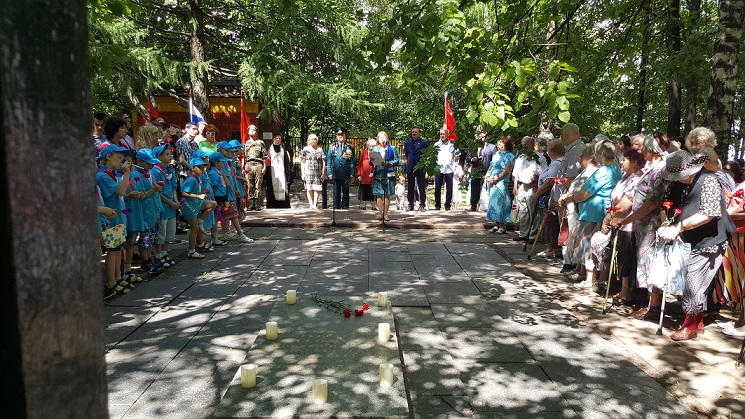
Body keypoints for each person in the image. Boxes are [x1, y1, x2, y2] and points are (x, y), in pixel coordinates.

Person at [657, 150, 735, 341]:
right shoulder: (677, 183)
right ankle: (696, 322)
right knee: (692, 281)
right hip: (688, 239)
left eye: (678, 176)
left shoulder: (709, 181)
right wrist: (666, 222)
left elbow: (708, 213)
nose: (675, 179)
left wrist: (678, 227)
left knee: (694, 282)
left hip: (711, 239)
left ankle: (690, 325)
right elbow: (664, 205)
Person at [611, 134, 669, 321]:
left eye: (644, 147)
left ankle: (653, 305)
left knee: (650, 261)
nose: (640, 150)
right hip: (642, 223)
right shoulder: (651, 168)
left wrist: (628, 219)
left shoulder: (659, 170)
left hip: (651, 224)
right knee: (644, 262)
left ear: (652, 150)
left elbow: (651, 203)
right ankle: (649, 302)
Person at [561, 140, 622, 289]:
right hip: (603, 211)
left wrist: (573, 198)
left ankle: (590, 279)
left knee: (588, 244)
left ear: (601, 154)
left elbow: (584, 193)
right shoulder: (617, 169)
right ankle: (600, 278)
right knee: (600, 246)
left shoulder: (604, 171)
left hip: (593, 213)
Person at [598, 149, 645, 304]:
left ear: (635, 162)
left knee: (627, 257)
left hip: (630, 224)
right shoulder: (626, 177)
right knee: (620, 256)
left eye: (625, 160)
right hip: (619, 223)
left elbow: (626, 204)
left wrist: (608, 217)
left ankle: (627, 291)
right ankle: (621, 288)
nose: (621, 162)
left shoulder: (638, 178)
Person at [96, 144, 134, 295]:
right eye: (119, 157)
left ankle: (117, 277)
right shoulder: (102, 175)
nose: (122, 160)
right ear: (108, 157)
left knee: (118, 249)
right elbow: (120, 190)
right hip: (110, 219)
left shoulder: (112, 174)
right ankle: (111, 281)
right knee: (112, 250)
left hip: (118, 217)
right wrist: (126, 174)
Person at [557, 123, 587, 272]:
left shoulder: (576, 151)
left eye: (562, 135)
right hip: (570, 198)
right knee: (569, 229)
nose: (561, 138)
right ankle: (569, 260)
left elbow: (571, 178)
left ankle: (571, 262)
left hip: (572, 199)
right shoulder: (574, 149)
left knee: (572, 230)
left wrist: (565, 196)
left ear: (566, 136)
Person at [533, 140, 567, 259]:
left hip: (553, 197)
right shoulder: (556, 162)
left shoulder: (557, 163)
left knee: (550, 223)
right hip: (553, 196)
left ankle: (551, 249)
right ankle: (553, 248)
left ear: (552, 151)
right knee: (552, 223)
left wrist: (538, 193)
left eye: (548, 149)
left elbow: (550, 181)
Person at [182, 156, 217, 258]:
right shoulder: (191, 179)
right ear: (193, 168)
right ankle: (191, 251)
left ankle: (200, 220)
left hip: (196, 204)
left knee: (213, 204)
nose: (203, 169)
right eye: (200, 167)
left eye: (203, 168)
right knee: (195, 229)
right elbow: (184, 193)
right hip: (190, 207)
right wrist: (198, 196)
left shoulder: (197, 179)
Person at [511, 136, 544, 241]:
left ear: (532, 145)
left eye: (526, 144)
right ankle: (523, 233)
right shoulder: (521, 157)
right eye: (523, 144)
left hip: (532, 186)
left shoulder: (539, 157)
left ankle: (533, 235)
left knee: (533, 210)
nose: (524, 146)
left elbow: (544, 174)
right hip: (521, 186)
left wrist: (535, 179)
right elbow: (516, 173)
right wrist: (515, 185)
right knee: (522, 210)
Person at [151, 143, 179, 268]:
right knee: (161, 233)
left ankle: (164, 253)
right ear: (159, 157)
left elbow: (173, 188)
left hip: (171, 206)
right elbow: (157, 192)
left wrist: (176, 201)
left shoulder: (170, 169)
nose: (170, 156)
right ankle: (158, 255)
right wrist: (171, 202)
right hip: (162, 205)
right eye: (166, 154)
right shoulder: (155, 171)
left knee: (170, 233)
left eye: (170, 154)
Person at [486, 137, 515, 233]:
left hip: (501, 181)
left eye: (500, 144)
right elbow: (491, 166)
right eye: (497, 144)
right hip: (493, 180)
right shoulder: (496, 154)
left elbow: (507, 170)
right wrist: (489, 176)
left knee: (501, 202)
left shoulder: (509, 156)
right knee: (494, 201)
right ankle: (496, 224)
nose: (498, 146)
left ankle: (502, 225)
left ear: (505, 144)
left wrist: (495, 178)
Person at [371, 131, 399, 221]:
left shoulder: (392, 148)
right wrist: (371, 161)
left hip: (388, 173)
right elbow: (372, 163)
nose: (382, 139)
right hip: (378, 173)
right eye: (380, 138)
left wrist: (388, 163)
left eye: (384, 137)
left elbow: (397, 160)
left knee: (387, 194)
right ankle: (380, 213)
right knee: (379, 194)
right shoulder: (375, 149)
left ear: (386, 138)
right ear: (378, 140)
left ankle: (386, 214)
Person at [466, 130, 497, 211]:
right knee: (474, 188)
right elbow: (468, 158)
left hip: (487, 171)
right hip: (476, 171)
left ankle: (487, 207)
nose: (481, 138)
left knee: (487, 189)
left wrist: (491, 171)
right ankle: (473, 206)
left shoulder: (492, 147)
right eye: (479, 136)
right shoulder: (473, 147)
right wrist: (473, 159)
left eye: (482, 136)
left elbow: (495, 160)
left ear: (486, 136)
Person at [326, 127, 356, 209]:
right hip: (336, 172)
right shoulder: (332, 147)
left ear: (345, 135)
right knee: (336, 191)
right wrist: (329, 172)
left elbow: (352, 161)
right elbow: (329, 160)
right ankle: (336, 206)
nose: (340, 136)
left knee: (346, 191)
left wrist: (352, 173)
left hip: (346, 173)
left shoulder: (349, 147)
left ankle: (345, 206)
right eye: (339, 134)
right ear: (336, 136)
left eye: (342, 134)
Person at [403, 127, 429, 211]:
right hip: (410, 167)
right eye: (412, 132)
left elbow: (426, 155)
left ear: (419, 133)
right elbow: (407, 154)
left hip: (420, 167)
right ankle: (410, 204)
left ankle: (422, 205)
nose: (414, 133)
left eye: (415, 132)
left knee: (421, 187)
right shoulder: (407, 142)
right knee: (410, 187)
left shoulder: (424, 142)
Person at [266, 133, 293, 208]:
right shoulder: (268, 149)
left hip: (282, 173)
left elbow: (287, 163)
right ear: (273, 139)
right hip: (272, 173)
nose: (278, 140)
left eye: (279, 139)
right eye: (276, 138)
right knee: (272, 188)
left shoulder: (283, 150)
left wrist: (288, 175)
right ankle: (272, 205)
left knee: (283, 188)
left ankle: (283, 205)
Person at [243, 124, 266, 211]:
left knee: (258, 183)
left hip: (258, 164)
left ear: (256, 132)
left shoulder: (260, 143)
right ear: (248, 132)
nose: (252, 131)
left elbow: (264, 156)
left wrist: (264, 167)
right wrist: (243, 168)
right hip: (248, 164)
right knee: (249, 184)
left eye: (254, 129)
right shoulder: (246, 143)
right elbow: (243, 156)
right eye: (250, 129)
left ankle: (257, 203)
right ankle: (250, 202)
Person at [300, 134, 326, 210]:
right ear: (309, 140)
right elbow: (303, 162)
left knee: (316, 189)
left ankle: (315, 204)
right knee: (309, 188)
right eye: (311, 139)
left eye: (315, 139)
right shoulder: (305, 149)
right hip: (308, 171)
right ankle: (311, 204)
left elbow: (323, 162)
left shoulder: (320, 150)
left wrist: (323, 172)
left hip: (317, 172)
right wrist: (303, 173)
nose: (313, 141)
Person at [433, 128, 456, 211]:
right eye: (440, 134)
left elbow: (457, 156)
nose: (442, 136)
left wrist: (453, 164)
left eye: (443, 134)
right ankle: (437, 205)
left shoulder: (452, 145)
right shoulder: (436, 145)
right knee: (437, 188)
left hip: (449, 169)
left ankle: (447, 205)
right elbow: (433, 157)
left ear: (447, 135)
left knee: (449, 188)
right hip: (439, 169)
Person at [357, 139, 377, 210]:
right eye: (370, 146)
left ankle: (373, 206)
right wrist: (359, 174)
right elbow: (360, 164)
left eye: (373, 146)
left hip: (373, 175)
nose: (371, 147)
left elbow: (378, 165)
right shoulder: (364, 153)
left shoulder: (376, 154)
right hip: (364, 175)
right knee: (364, 190)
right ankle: (363, 205)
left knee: (373, 191)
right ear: (368, 146)